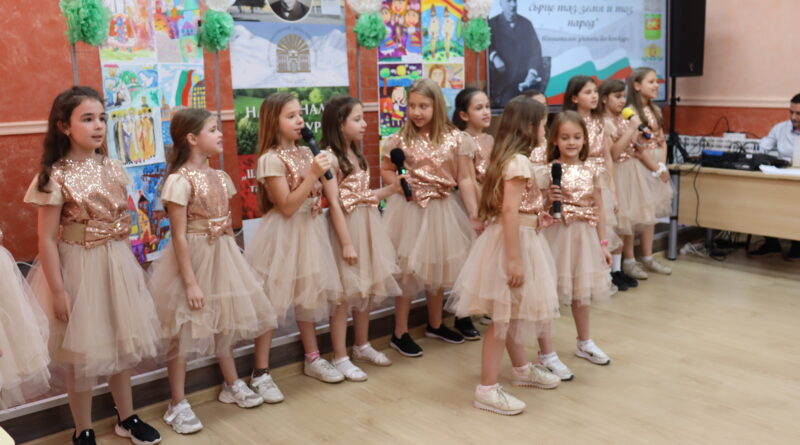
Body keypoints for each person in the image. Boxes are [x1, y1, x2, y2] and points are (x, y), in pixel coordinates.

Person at [24, 86, 162, 445]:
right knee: (81, 353)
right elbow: (46, 239)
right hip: (78, 269)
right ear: (64, 126)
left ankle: (127, 417)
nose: (98, 125)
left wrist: (130, 274)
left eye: (102, 118)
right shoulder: (55, 176)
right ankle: (82, 427)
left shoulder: (113, 167)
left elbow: (122, 223)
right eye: (87, 119)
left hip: (116, 265)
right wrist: (58, 291)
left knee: (121, 345)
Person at [148, 109, 278, 434]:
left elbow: (225, 223)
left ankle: (230, 383)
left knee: (224, 321)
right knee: (183, 329)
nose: (220, 134)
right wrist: (190, 282)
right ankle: (177, 402)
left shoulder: (220, 176)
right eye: (212, 129)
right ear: (192, 138)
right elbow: (179, 235)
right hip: (193, 259)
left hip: (223, 253)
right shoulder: (179, 180)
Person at [447, 96, 561, 415]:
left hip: (518, 237)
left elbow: (515, 207)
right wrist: (513, 259)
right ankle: (486, 389)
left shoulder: (510, 158)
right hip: (513, 244)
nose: (545, 130)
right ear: (530, 126)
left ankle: (521, 368)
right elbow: (509, 210)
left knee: (510, 311)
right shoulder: (519, 161)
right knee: (502, 318)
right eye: (543, 124)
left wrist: (537, 216)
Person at [244, 93, 357, 386]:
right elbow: (286, 206)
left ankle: (313, 357)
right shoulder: (270, 160)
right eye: (291, 116)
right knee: (272, 301)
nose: (299, 121)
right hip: (282, 234)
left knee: (309, 296)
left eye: (300, 114)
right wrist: (312, 176)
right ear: (273, 121)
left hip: (310, 230)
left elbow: (324, 191)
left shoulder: (308, 153)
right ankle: (261, 371)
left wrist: (320, 188)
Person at [380, 79, 481, 357]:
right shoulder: (399, 139)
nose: (416, 112)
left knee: (437, 267)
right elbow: (386, 169)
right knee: (408, 273)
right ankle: (400, 332)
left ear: (437, 106)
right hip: (410, 211)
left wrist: (474, 213)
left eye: (423, 106)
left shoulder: (457, 139)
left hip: (444, 209)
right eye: (412, 106)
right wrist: (399, 184)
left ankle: (435, 324)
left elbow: (465, 178)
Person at [321, 96, 402, 378]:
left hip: (367, 224)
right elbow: (335, 203)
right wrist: (346, 243)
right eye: (357, 119)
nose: (364, 124)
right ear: (339, 124)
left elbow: (364, 196)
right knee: (344, 294)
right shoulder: (330, 158)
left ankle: (362, 344)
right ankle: (339, 355)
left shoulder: (357, 154)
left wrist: (391, 190)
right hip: (346, 228)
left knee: (364, 288)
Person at [538, 111, 614, 381]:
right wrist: (548, 198)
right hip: (556, 237)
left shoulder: (593, 170)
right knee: (548, 294)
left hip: (584, 238)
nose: (571, 142)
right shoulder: (547, 170)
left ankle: (584, 342)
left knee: (582, 293)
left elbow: (599, 209)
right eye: (565, 137)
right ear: (555, 140)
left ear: (585, 140)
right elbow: (538, 208)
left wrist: (603, 244)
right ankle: (546, 353)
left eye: (577, 137)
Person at [750, 93, 800, 260]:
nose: (793, 117)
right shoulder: (780, 128)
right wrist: (763, 151)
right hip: (782, 178)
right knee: (762, 198)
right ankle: (771, 242)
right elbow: (764, 146)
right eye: (791, 112)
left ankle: (797, 244)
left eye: (798, 114)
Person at [488, 0, 546, 108]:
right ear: (501, 3)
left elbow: (535, 51)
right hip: (503, 84)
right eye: (508, 1)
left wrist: (531, 74)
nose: (513, 5)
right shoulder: (492, 24)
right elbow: (486, 46)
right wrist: (494, 56)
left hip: (525, 82)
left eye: (515, 1)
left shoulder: (526, 24)